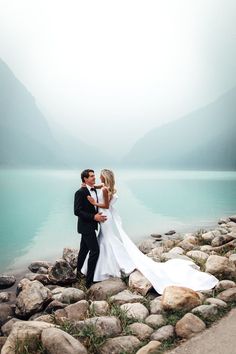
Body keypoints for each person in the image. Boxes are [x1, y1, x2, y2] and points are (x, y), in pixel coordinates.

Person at [80, 169, 219, 294]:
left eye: (99, 176)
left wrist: (93, 203)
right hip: (106, 217)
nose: (97, 178)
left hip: (104, 216)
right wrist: (87, 186)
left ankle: (107, 269)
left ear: (104, 177)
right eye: (94, 176)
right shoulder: (108, 187)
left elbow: (105, 205)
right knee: (105, 240)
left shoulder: (104, 189)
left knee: (107, 240)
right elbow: (97, 187)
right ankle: (105, 267)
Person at [74, 169, 107, 288]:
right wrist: (94, 217)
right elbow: (77, 211)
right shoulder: (80, 192)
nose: (94, 178)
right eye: (91, 176)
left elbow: (104, 186)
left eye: (94, 176)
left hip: (91, 225)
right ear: (85, 179)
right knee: (95, 251)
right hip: (86, 226)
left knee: (83, 250)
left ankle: (78, 275)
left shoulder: (94, 189)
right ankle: (89, 282)